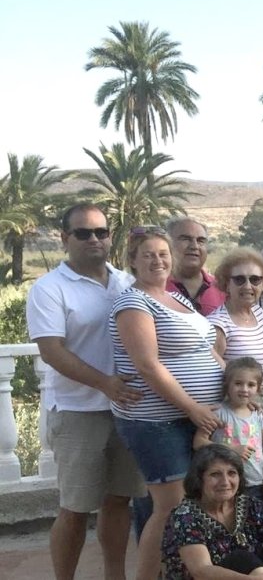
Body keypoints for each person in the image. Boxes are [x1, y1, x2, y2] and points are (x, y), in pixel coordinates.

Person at [26, 203, 142, 580]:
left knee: (118, 501)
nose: (94, 239)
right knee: (74, 508)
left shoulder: (127, 282)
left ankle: (114, 575)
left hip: (127, 410)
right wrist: (106, 384)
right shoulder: (49, 289)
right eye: (83, 233)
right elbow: (52, 351)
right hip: (78, 411)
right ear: (64, 238)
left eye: (101, 232)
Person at [109, 226, 225, 580]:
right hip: (159, 422)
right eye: (148, 255)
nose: (158, 260)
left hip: (201, 419)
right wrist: (193, 406)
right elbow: (147, 365)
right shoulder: (133, 301)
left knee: (200, 503)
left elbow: (207, 349)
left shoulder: (178, 299)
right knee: (169, 508)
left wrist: (235, 393)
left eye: (163, 254)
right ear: (132, 261)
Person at [161, 445, 263, 579]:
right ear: (199, 480)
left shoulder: (250, 505)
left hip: (260, 574)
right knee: (242, 559)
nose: (225, 482)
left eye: (232, 473)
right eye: (215, 474)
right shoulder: (185, 516)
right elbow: (201, 570)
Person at [193, 356, 263, 501]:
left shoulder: (257, 415)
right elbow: (198, 442)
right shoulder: (218, 413)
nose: (244, 389)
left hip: (255, 483)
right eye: (238, 383)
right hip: (224, 484)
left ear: (259, 389)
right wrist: (231, 448)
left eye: (251, 385)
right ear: (227, 385)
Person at [209, 248, 263, 391]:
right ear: (227, 284)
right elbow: (211, 374)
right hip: (234, 405)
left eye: (255, 279)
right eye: (239, 279)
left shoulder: (258, 313)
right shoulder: (218, 324)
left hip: (257, 402)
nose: (247, 286)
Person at [165, 217, 226, 315]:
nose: (194, 246)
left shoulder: (223, 289)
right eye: (185, 239)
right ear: (167, 244)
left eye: (201, 241)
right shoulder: (154, 288)